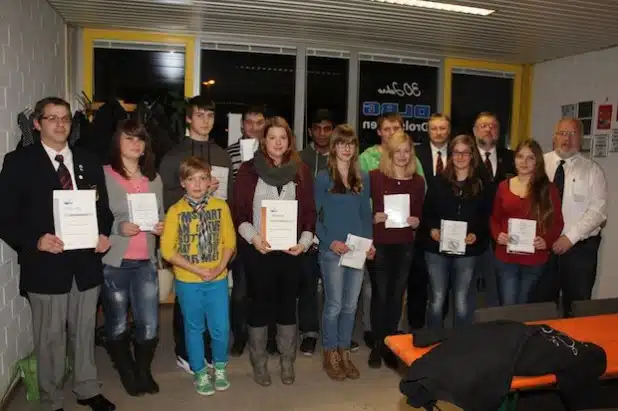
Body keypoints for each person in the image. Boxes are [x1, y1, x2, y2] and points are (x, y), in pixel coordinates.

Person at [0, 97, 115, 411]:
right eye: (52, 118)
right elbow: (5, 215)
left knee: (84, 331)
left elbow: (101, 210)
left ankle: (87, 389)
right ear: (37, 124)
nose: (60, 124)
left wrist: (104, 233)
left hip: (86, 263)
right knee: (49, 338)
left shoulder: (89, 160)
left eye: (65, 118)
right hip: (46, 265)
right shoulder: (18, 161)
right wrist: (35, 240)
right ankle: (51, 400)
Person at [233, 116, 316, 386]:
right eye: (272, 137)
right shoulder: (248, 170)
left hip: (291, 252)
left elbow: (309, 214)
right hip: (259, 251)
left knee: (286, 307)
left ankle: (286, 361)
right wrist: (254, 238)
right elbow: (240, 214)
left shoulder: (300, 171)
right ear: (263, 140)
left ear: (289, 140)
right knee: (259, 305)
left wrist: (303, 243)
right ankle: (259, 363)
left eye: (283, 137)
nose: (278, 143)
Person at [159, 95, 233, 374]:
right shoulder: (174, 155)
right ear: (189, 119)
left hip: (215, 233)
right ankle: (185, 354)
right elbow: (165, 194)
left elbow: (231, 196)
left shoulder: (223, 154)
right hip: (185, 240)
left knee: (214, 307)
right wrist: (197, 189)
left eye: (210, 116)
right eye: (199, 115)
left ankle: (211, 353)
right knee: (186, 304)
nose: (205, 121)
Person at [161, 157, 236, 395]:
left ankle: (220, 366)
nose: (197, 184)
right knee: (194, 328)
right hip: (188, 281)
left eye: (203, 178)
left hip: (218, 278)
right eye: (191, 179)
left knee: (221, 327)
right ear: (183, 183)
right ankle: (200, 372)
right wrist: (198, 270)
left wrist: (218, 268)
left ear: (210, 181)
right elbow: (167, 250)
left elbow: (229, 242)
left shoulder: (220, 207)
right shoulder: (175, 212)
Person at [101, 119, 165, 396]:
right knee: (116, 323)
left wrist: (160, 226)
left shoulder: (154, 179)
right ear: (118, 143)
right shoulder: (103, 175)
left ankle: (143, 371)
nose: (136, 144)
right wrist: (117, 227)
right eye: (129, 138)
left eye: (140, 139)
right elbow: (94, 217)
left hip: (145, 262)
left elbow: (159, 214)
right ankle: (127, 372)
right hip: (114, 262)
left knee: (149, 323)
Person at [359, 113, 426, 343]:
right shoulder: (374, 177)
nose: (402, 155)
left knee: (397, 295)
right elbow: (358, 207)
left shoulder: (417, 181)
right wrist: (371, 217)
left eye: (406, 151)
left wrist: (417, 221)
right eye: (397, 151)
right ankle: (378, 343)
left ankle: (390, 343)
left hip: (405, 244)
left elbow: (420, 211)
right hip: (380, 244)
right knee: (379, 294)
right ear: (389, 152)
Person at [315, 125, 374, 381]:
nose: (347, 148)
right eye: (342, 143)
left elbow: (365, 215)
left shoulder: (363, 178)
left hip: (357, 250)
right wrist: (330, 242)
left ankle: (344, 350)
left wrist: (369, 243)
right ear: (333, 147)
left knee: (351, 305)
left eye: (351, 144)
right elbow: (313, 218)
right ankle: (330, 352)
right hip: (332, 250)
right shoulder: (323, 178)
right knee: (335, 304)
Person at [533, 118, 608, 316]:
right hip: (544, 248)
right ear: (554, 137)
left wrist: (570, 238)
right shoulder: (539, 164)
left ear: (580, 139)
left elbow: (598, 212)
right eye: (562, 133)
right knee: (541, 304)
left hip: (580, 250)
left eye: (573, 134)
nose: (567, 138)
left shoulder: (593, 171)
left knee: (576, 306)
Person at [422, 134, 491, 328]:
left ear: (472, 156)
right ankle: (432, 343)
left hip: (467, 251)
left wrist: (476, 234)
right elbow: (426, 213)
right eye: (456, 152)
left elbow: (486, 217)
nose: (460, 157)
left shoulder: (481, 185)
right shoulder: (438, 182)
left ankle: (460, 346)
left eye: (465, 153)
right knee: (436, 299)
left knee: (462, 301)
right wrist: (432, 229)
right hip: (436, 249)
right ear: (450, 155)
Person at [490, 140, 564, 305]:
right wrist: (497, 235)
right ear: (514, 159)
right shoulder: (503, 186)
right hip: (506, 256)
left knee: (524, 305)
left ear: (537, 161)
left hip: (534, 258)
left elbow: (557, 221)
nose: (524, 162)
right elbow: (494, 218)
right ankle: (510, 332)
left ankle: (522, 331)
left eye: (530, 158)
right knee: (508, 305)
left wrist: (547, 240)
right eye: (520, 156)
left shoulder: (548, 188)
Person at [225, 105, 267, 357]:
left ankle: (265, 337)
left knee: (264, 288)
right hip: (238, 229)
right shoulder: (228, 153)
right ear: (242, 126)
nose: (253, 127)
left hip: (266, 228)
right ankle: (239, 336)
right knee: (240, 290)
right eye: (249, 123)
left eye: (259, 122)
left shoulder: (272, 152)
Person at [297, 108, 335, 356]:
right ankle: (309, 333)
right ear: (310, 131)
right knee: (308, 285)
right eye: (317, 128)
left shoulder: (341, 158)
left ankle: (336, 334)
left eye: (327, 128)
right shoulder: (299, 158)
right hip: (306, 230)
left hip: (334, 230)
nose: (322, 133)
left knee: (334, 285)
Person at [473, 112, 516, 307]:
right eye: (483, 126)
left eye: (493, 126)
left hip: (503, 232)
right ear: (474, 131)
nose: (489, 130)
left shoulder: (512, 158)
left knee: (497, 287)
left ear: (498, 133)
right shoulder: (465, 156)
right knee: (468, 287)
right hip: (472, 231)